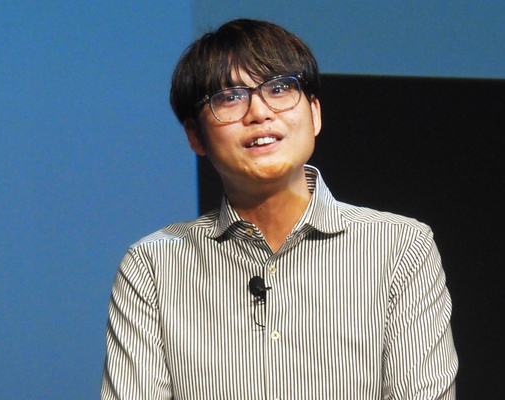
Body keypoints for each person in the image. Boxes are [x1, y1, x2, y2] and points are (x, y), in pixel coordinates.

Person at [101, 18, 458, 399]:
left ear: (315, 113)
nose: (259, 112)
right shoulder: (153, 266)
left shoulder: (400, 247)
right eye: (230, 97)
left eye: (279, 88)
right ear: (195, 136)